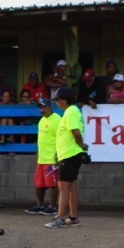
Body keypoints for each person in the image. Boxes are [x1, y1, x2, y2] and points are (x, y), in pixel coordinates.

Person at [45, 88, 87, 229]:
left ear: (64, 100)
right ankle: (73, 216)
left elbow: (75, 131)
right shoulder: (73, 111)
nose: (57, 103)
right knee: (71, 186)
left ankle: (60, 217)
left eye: (58, 100)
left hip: (70, 154)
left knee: (63, 187)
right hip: (72, 153)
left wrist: (81, 145)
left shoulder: (70, 112)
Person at [25, 97, 60, 215]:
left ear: (50, 107)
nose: (41, 110)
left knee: (53, 184)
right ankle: (40, 204)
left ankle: (53, 207)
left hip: (52, 158)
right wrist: (37, 154)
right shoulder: (42, 121)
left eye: (44, 107)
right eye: (40, 107)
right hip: (41, 158)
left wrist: (57, 156)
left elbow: (60, 140)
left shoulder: (57, 120)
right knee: (39, 185)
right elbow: (40, 140)